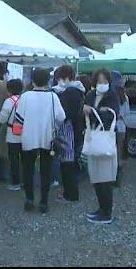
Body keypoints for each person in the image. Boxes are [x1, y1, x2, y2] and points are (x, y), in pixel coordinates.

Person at [15, 68, 66, 213]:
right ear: (48, 80)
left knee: (28, 170)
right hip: (47, 138)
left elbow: (19, 119)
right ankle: (43, 202)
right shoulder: (52, 97)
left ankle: (29, 200)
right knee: (46, 171)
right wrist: (53, 126)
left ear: (32, 81)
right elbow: (61, 117)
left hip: (28, 138)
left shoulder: (25, 97)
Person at [83, 68, 120, 224]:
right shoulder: (90, 95)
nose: (102, 84)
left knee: (105, 178)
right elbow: (85, 111)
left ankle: (107, 212)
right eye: (99, 81)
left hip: (105, 139)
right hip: (93, 137)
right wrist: (94, 111)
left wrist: (93, 111)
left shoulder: (112, 96)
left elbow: (110, 116)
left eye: (105, 81)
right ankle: (101, 208)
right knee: (95, 176)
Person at [52, 65, 86, 202]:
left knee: (68, 163)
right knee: (69, 162)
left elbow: (67, 113)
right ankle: (69, 193)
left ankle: (70, 194)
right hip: (75, 129)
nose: (59, 81)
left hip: (69, 130)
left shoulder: (71, 91)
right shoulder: (77, 90)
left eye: (60, 77)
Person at [0, 78, 24, 191]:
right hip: (26, 133)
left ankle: (16, 183)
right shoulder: (25, 100)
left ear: (9, 90)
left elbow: (2, 119)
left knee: (14, 159)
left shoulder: (9, 102)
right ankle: (26, 181)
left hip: (12, 134)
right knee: (26, 159)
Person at [114, 73, 130, 187]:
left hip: (110, 128)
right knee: (119, 152)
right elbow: (126, 113)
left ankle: (110, 176)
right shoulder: (125, 97)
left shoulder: (109, 96)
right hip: (121, 127)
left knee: (111, 153)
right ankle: (117, 177)